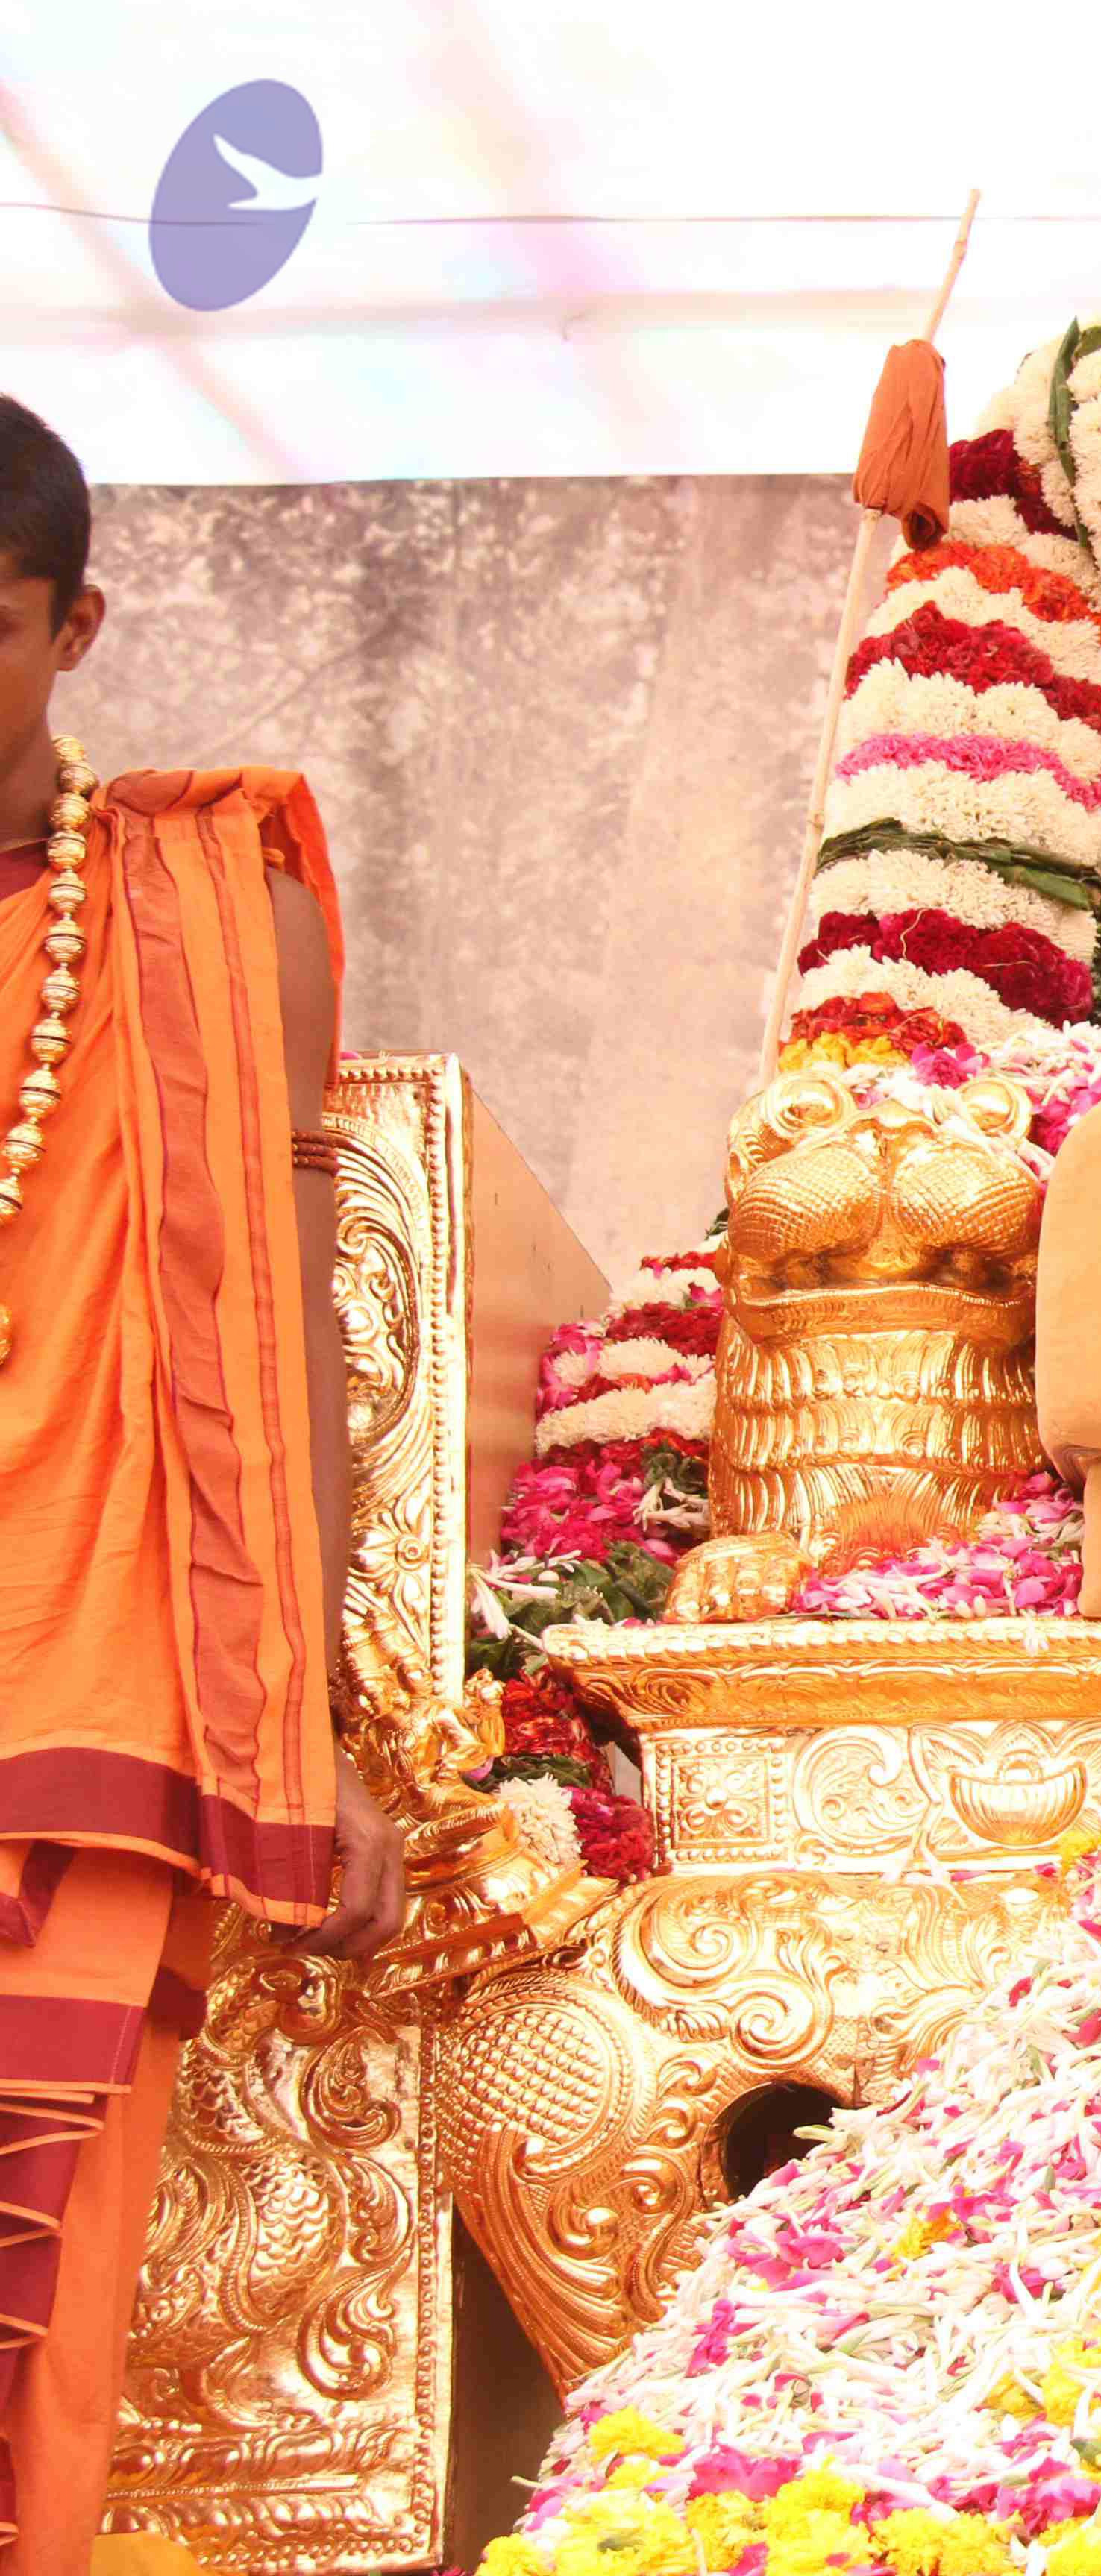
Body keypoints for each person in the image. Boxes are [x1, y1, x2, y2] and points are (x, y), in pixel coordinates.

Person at [0, 396, 408, 2571]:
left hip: (93, 1670)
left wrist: (311, 1723)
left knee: (33, 2290)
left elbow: (282, 1317)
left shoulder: (205, 906)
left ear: (75, 626)